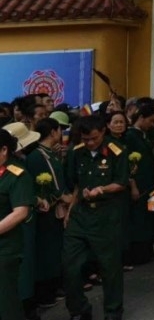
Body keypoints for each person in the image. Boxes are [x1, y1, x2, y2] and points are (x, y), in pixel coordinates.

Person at [62, 114, 129, 320]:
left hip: (106, 216)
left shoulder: (117, 151)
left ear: (103, 132)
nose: (90, 143)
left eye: (94, 138)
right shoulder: (76, 153)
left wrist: (101, 189)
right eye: (85, 139)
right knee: (69, 266)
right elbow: (74, 184)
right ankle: (79, 309)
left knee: (110, 268)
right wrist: (70, 210)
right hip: (80, 216)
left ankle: (113, 311)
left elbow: (121, 182)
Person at [23, 118, 65, 309]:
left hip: (55, 210)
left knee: (54, 250)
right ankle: (43, 293)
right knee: (45, 252)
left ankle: (52, 288)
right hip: (45, 210)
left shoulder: (51, 153)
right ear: (53, 132)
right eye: (59, 130)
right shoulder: (37, 156)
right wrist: (58, 197)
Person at [0, 128, 34, 320]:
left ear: (4, 150)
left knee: (5, 301)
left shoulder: (17, 175)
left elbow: (20, 212)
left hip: (5, 249)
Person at [124, 103, 154, 266]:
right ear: (142, 118)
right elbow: (128, 165)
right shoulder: (130, 136)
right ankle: (136, 254)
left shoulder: (144, 136)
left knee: (146, 218)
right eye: (150, 121)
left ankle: (145, 251)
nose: (152, 125)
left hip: (148, 184)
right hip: (137, 185)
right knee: (137, 221)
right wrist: (133, 185)